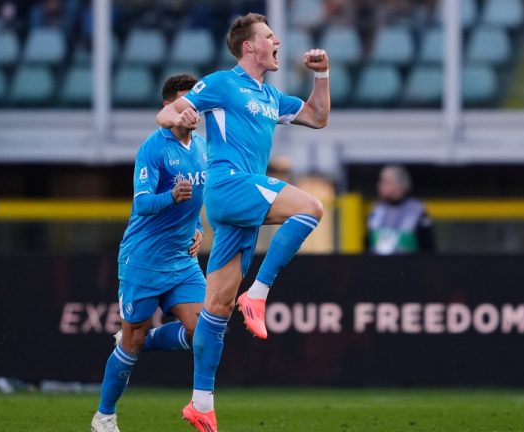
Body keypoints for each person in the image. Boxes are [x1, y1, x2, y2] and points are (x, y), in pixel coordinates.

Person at [156, 12, 330, 431]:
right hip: (230, 186)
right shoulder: (221, 83)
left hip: (243, 203)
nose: (277, 42)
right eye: (269, 36)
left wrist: (322, 76)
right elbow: (167, 114)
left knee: (214, 313)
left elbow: (318, 118)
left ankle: (197, 400)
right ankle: (259, 293)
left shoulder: (271, 97)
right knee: (311, 208)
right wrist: (181, 119)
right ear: (249, 46)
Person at [90, 74, 208, 432]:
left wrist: (199, 229)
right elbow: (141, 205)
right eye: (184, 104)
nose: (192, 111)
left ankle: (144, 339)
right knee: (132, 340)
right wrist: (171, 197)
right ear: (168, 108)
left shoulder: (203, 147)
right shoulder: (153, 148)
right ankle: (104, 416)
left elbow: (199, 198)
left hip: (182, 260)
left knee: (205, 330)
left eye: (195, 105)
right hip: (144, 259)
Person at [366, 164, 435, 255]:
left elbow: (428, 246)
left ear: (399, 184)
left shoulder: (417, 210)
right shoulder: (377, 209)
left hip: (409, 267)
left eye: (385, 181)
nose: (379, 185)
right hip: (378, 267)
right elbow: (368, 244)